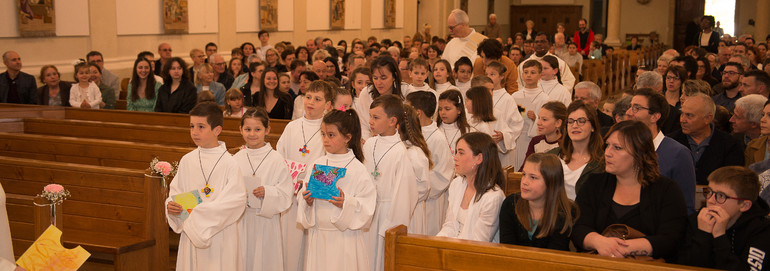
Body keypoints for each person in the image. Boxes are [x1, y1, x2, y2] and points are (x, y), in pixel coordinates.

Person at [572, 120, 688, 261]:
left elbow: (671, 238)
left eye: (617, 148)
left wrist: (622, 248)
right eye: (607, 145)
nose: (607, 153)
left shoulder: (667, 189)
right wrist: (599, 242)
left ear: (639, 153)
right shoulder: (594, 184)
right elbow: (578, 227)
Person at [165, 102, 246, 270]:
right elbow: (177, 193)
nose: (194, 132)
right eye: (192, 126)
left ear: (217, 130)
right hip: (191, 234)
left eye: (201, 126)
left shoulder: (230, 163)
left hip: (220, 235)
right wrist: (171, 205)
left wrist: (196, 214)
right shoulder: (188, 160)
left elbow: (235, 202)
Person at [297, 108, 376, 271]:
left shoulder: (357, 169)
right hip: (319, 236)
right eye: (323, 134)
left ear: (347, 137)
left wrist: (346, 203)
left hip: (344, 239)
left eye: (331, 135)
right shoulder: (317, 164)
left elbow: (368, 206)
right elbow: (303, 196)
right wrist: (307, 201)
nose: (325, 139)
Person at [276, 80, 333, 271]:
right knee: (289, 245)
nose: (310, 102)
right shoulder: (292, 127)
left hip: (313, 197)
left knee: (311, 246)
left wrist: (309, 186)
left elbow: (329, 161)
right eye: (308, 97)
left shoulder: (329, 130)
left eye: (317, 99)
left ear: (327, 105)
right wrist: (288, 182)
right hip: (290, 196)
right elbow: (280, 156)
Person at [231, 107, 292, 271]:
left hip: (266, 222)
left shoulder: (276, 159)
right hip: (241, 220)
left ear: (267, 130)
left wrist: (268, 192)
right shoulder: (236, 159)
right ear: (240, 130)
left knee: (264, 262)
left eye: (257, 129)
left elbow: (286, 194)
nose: (252, 134)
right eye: (247, 129)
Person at [363, 94, 418, 271]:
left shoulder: (400, 152)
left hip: (385, 216)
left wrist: (390, 228)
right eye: (370, 116)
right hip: (365, 211)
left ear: (392, 121)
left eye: (376, 117)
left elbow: (405, 194)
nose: (370, 121)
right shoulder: (369, 144)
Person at [678, 166, 770, 270]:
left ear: (744, 205)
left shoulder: (762, 231)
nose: (711, 200)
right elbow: (684, 266)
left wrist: (720, 237)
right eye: (709, 191)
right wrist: (703, 235)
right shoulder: (698, 220)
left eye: (721, 196)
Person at [626, 88, 697, 214]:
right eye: (630, 107)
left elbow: (685, 207)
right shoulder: (622, 149)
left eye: (636, 108)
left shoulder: (678, 154)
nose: (628, 113)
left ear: (655, 116)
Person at [499, 153, 578, 250]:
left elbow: (555, 256)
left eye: (533, 177)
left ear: (550, 182)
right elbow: (507, 248)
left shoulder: (566, 212)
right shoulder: (511, 203)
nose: (524, 182)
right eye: (524, 174)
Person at [437, 132, 506, 241]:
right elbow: (449, 226)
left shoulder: (493, 197)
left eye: (461, 153)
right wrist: (437, 244)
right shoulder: (457, 184)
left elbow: (479, 242)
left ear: (478, 158)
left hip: (476, 254)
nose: (455, 158)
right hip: (455, 249)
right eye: (456, 152)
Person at [406, 91, 455, 236]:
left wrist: (417, 188)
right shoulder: (412, 132)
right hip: (413, 198)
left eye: (408, 109)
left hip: (429, 201)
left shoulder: (436, 138)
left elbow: (442, 175)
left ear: (418, 113)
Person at [672, 93, 744, 185]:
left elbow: (733, 182)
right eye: (682, 114)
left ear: (708, 118)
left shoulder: (730, 145)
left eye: (689, 115)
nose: (683, 120)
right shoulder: (670, 142)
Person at [548, 101, 605, 200]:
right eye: (570, 121)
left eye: (581, 121)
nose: (574, 125)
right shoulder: (552, 155)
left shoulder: (602, 162)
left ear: (592, 126)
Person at [354, 56, 407, 140]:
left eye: (383, 78)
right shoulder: (366, 93)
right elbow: (363, 125)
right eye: (375, 78)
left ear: (394, 76)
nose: (379, 82)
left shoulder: (406, 91)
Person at [437, 89, 471, 154]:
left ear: (459, 110)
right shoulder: (435, 130)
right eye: (440, 109)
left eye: (447, 109)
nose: (443, 112)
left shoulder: (469, 132)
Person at [745, 101, 770, 166]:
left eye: (769, 116)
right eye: (763, 115)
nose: (762, 120)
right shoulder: (753, 146)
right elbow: (748, 175)